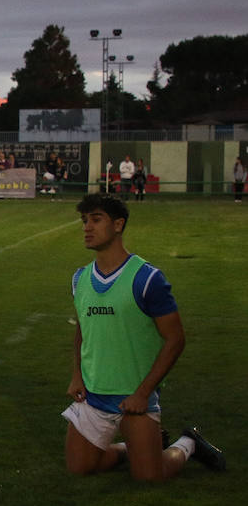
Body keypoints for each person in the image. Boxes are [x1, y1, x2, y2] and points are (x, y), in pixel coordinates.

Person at [63, 193, 225, 481]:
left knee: (150, 476)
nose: (87, 227)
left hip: (133, 395)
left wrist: (143, 392)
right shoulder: (80, 278)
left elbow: (175, 340)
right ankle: (131, 448)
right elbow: (82, 330)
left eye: (96, 219)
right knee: (80, 467)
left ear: (118, 225)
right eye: (84, 220)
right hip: (93, 394)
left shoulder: (147, 279)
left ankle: (188, 443)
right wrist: (76, 374)